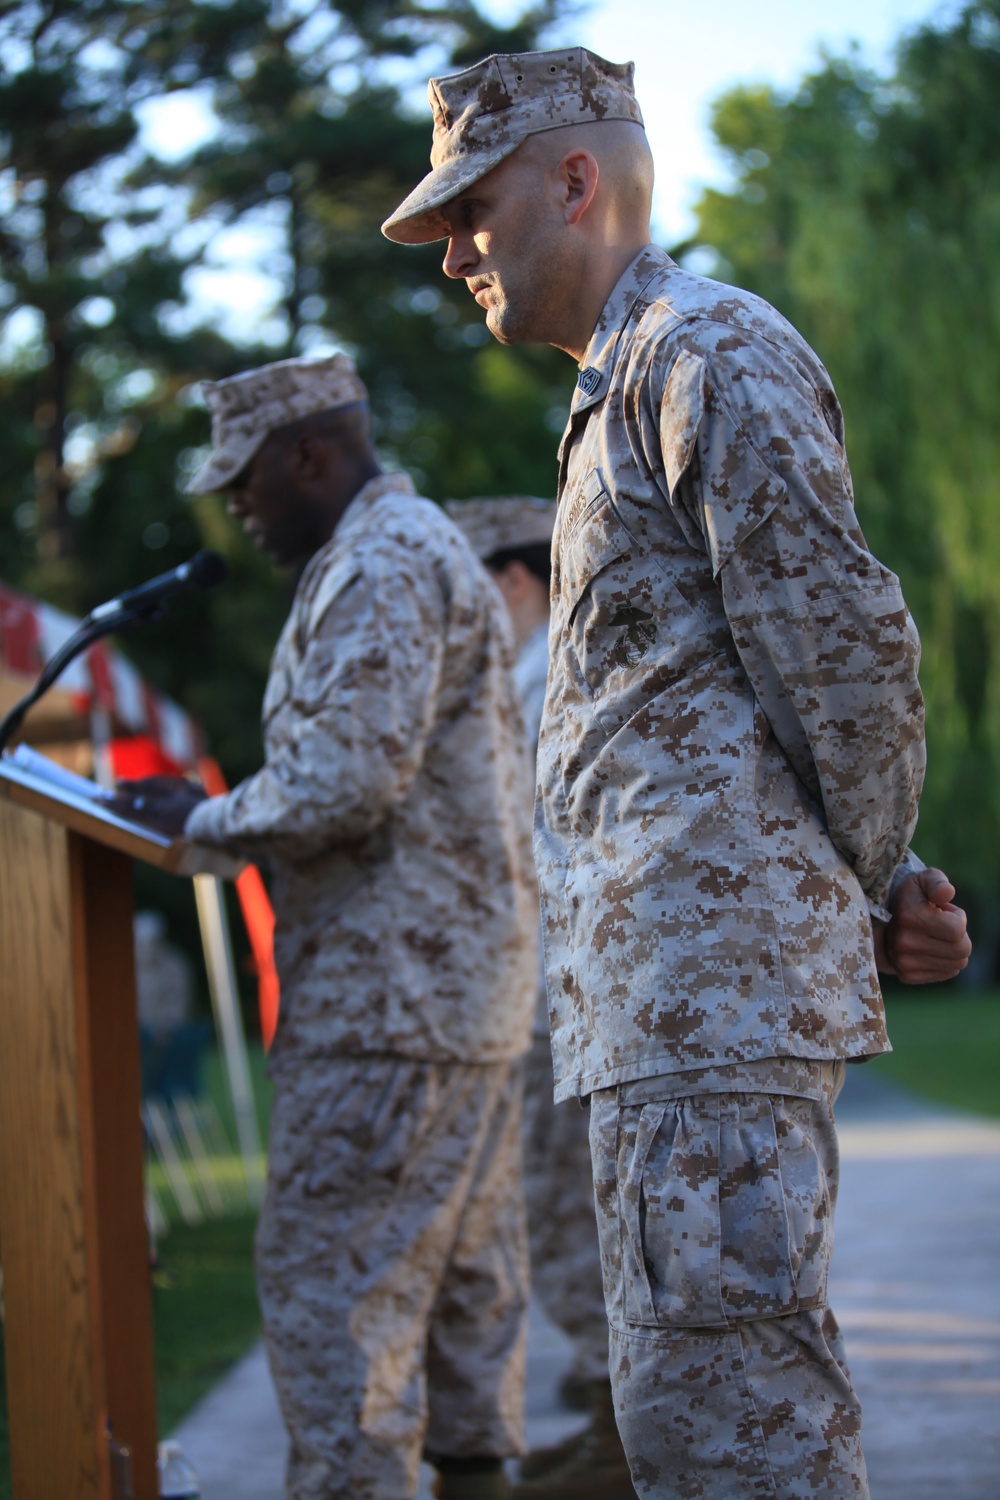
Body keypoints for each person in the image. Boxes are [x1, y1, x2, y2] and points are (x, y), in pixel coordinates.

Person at [383, 49, 972, 1500]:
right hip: (664, 1016)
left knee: (735, 1439)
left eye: (471, 205)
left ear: (575, 181)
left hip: (710, 1013)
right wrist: (884, 877)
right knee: (692, 1422)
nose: (452, 250)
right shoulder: (615, 391)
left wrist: (878, 869)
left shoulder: (703, 351)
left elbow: (845, 652)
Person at [113, 354, 539, 1500]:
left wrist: (200, 811)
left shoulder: (382, 562)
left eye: (244, 484)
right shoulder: (408, 554)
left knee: (338, 1324)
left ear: (310, 454)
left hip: (387, 1009)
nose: (236, 510)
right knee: (458, 1310)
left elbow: (345, 781)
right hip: (451, 1000)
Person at [447, 497, 633, 1499]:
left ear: (511, 582)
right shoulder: (533, 677)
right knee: (563, 1212)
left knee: (568, 1213)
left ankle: (619, 1442)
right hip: (549, 1001)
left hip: (553, 1005)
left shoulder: (538, 681)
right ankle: (613, 1422)